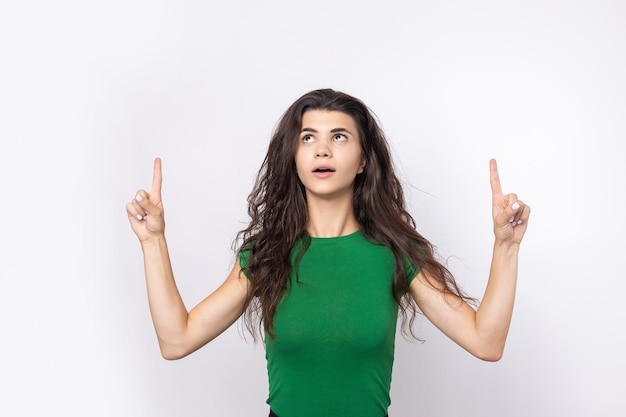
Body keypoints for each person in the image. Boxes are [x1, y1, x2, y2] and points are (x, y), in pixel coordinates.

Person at [126, 89, 530, 417]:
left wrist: (506, 247)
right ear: (295, 159)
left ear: (362, 161)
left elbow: (485, 342)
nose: (323, 150)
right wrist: (152, 242)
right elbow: (176, 340)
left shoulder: (396, 252)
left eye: (339, 136)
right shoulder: (265, 255)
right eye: (308, 138)